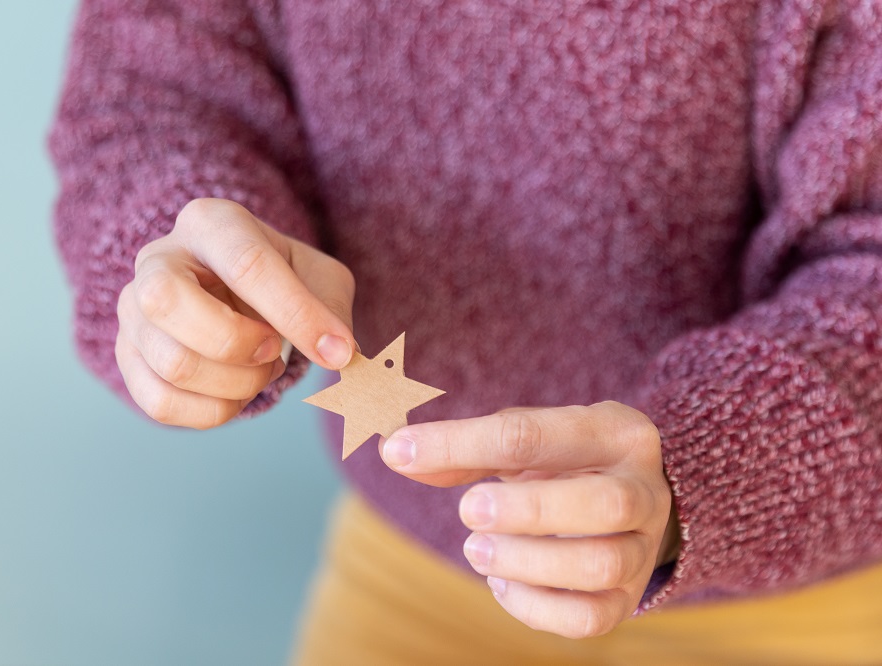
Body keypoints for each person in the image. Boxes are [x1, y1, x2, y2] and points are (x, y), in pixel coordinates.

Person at [49, 0, 882, 663]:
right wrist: (186, 262)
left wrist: (709, 467)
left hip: (805, 606)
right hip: (419, 578)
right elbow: (153, 85)